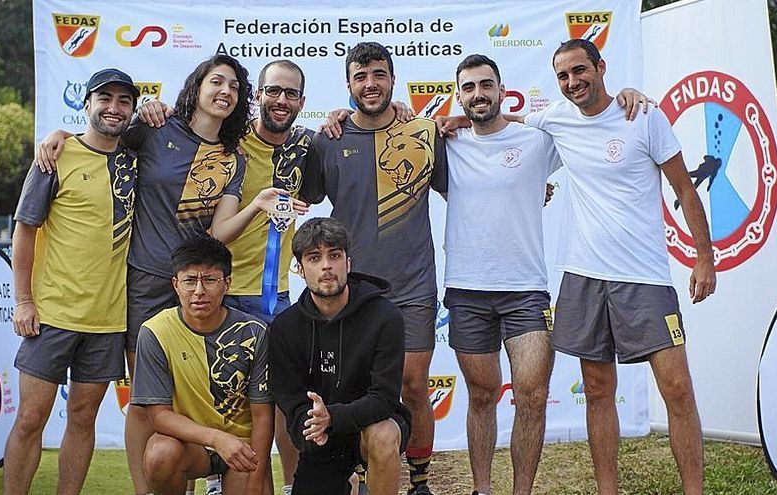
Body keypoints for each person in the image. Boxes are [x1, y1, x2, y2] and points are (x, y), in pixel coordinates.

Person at [37, 54, 301, 494]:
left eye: (235, 87)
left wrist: (256, 207)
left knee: (196, 398)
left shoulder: (232, 157)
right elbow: (99, 138)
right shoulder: (155, 129)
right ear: (196, 87)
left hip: (197, 287)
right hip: (144, 282)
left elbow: (219, 232)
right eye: (217, 82)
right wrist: (58, 134)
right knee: (146, 403)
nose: (226, 92)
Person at [522, 39, 715, 495]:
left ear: (601, 67)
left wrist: (704, 258)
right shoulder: (556, 117)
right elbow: (500, 120)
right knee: (596, 390)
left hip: (644, 278)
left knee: (678, 390)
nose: (573, 82)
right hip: (584, 275)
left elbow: (686, 191)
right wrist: (450, 120)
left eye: (580, 71)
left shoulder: (644, 116)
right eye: (564, 76)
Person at [138, 58, 313, 495]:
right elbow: (105, 135)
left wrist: (348, 114)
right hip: (218, 292)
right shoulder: (231, 145)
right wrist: (61, 135)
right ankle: (214, 478)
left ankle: (292, 486)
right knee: (196, 398)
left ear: (301, 101)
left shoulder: (309, 145)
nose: (281, 100)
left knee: (282, 403)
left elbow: (358, 132)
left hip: (275, 297)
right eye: (273, 90)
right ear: (258, 97)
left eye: (291, 93)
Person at [301, 42, 446, 495]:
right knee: (358, 389)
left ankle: (419, 482)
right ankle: (363, 476)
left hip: (413, 283)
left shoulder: (423, 134)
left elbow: (471, 178)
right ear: (348, 84)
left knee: (413, 384)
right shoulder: (328, 139)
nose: (370, 84)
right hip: (353, 290)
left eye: (379, 75)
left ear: (392, 79)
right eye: (361, 77)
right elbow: (298, 199)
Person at [5, 68, 140, 495]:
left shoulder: (137, 158)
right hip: (52, 313)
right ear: (86, 105)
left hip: (107, 319)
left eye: (124, 101)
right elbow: (24, 230)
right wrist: (23, 300)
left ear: (132, 110)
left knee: (83, 419)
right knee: (30, 419)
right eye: (105, 99)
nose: (113, 108)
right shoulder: (55, 156)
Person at [443, 54, 562, 495]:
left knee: (531, 397)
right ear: (459, 96)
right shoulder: (446, 143)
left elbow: (588, 121)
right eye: (469, 87)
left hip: (525, 291)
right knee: (481, 396)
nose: (478, 94)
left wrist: (629, 97)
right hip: (467, 290)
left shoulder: (536, 141)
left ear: (501, 89)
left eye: (485, 85)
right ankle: (482, 489)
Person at [268, 217, 411, 495]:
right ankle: (350, 484)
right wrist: (313, 431)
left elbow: (384, 398)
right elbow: (290, 401)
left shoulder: (385, 316)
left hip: (371, 424)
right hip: (322, 437)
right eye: (314, 258)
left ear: (348, 263)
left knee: (382, 434)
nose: (326, 266)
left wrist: (332, 416)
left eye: (334, 255)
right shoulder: (284, 328)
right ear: (299, 269)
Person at [130, 236, 273, 495]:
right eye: (189, 280)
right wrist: (217, 439)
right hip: (191, 445)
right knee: (161, 453)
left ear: (226, 284)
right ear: (175, 284)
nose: (199, 291)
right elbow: (158, 415)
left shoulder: (255, 332)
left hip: (242, 448)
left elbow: (263, 414)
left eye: (209, 280)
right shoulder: (155, 331)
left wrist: (255, 481)